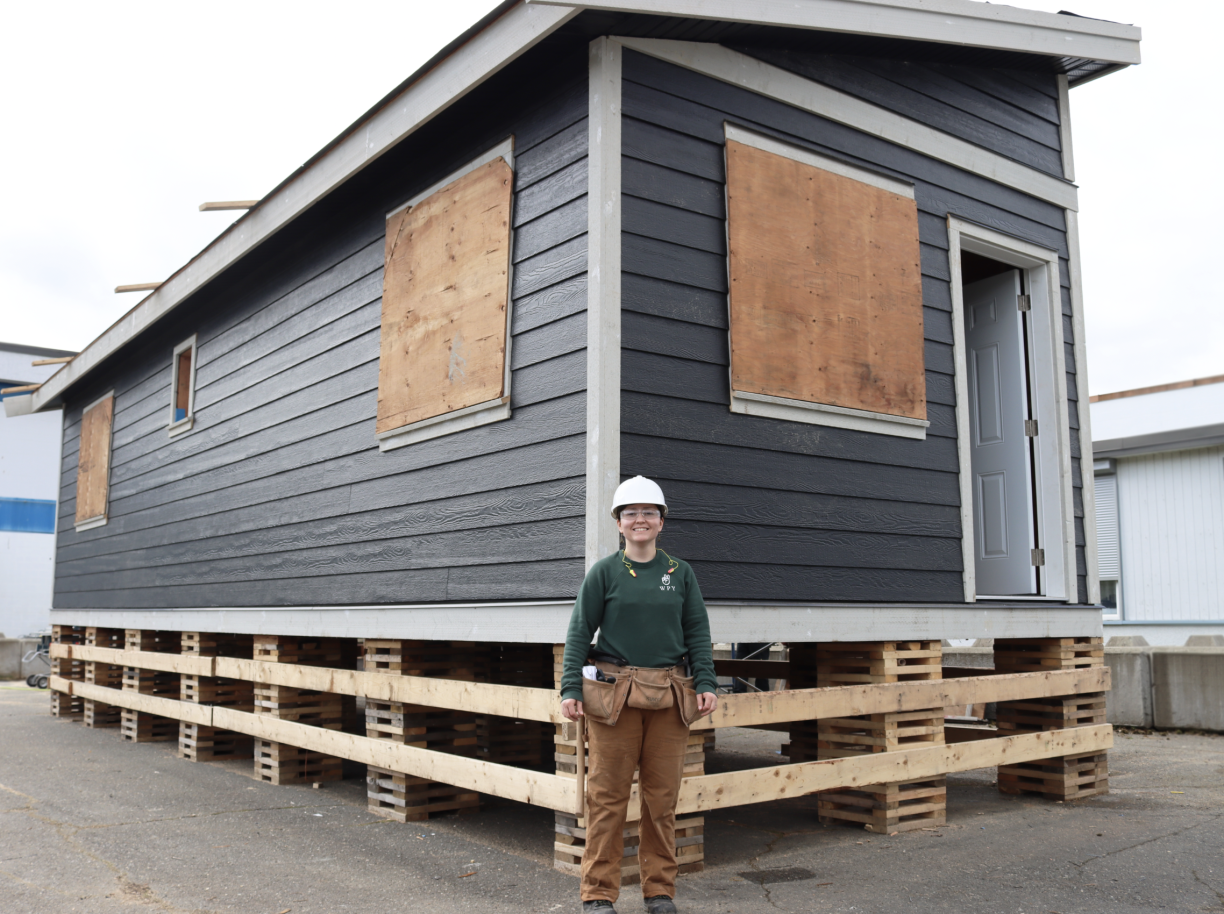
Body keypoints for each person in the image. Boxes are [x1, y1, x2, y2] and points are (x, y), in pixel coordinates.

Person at [561, 476, 718, 914]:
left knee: (661, 799)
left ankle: (660, 891)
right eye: (631, 513)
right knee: (607, 798)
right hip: (614, 698)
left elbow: (698, 633)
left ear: (662, 521)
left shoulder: (680, 573)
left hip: (670, 697)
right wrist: (570, 686)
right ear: (618, 522)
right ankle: (597, 895)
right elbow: (578, 633)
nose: (640, 519)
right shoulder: (605, 572)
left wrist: (705, 681)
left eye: (649, 512)